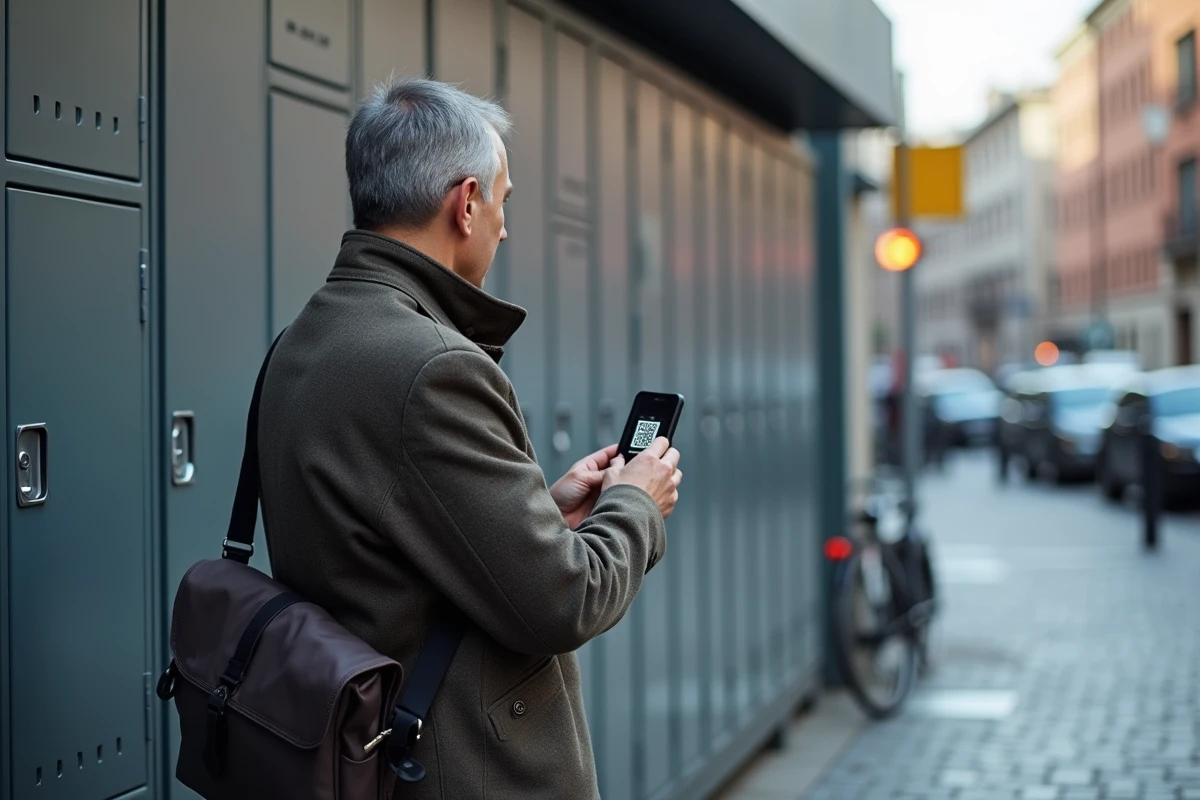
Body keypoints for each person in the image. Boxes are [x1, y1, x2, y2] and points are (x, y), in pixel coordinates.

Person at [256, 77, 681, 799]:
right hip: (454, 767)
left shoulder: (304, 340)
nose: (505, 227)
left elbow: (391, 548)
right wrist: (634, 505)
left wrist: (545, 508)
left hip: (355, 749)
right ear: (467, 202)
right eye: (504, 201)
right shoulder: (434, 365)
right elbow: (564, 600)